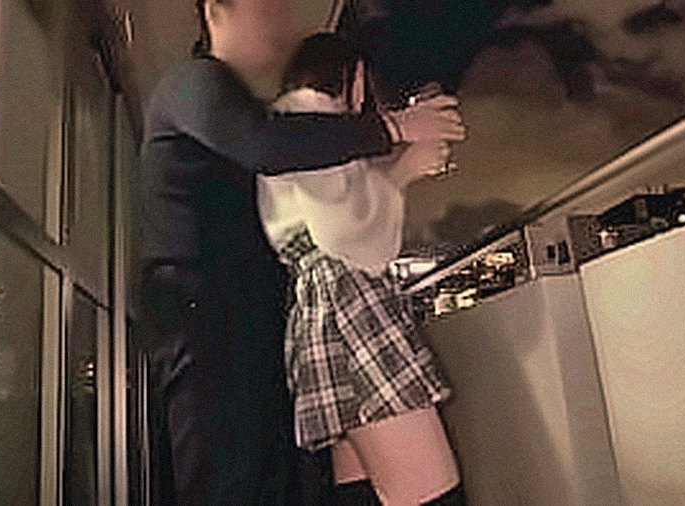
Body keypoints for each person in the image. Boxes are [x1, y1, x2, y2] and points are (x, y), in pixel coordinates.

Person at [137, 0, 466, 504]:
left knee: (293, 486)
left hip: (248, 326)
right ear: (214, 10)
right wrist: (395, 130)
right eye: (263, 6)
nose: (278, 18)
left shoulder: (253, 111)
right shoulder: (195, 84)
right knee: (232, 483)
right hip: (215, 330)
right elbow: (269, 148)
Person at [257, 33, 465, 506]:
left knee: (363, 493)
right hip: (350, 304)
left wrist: (400, 171)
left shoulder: (295, 124)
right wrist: (405, 170)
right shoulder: (310, 114)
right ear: (352, 79)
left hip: (325, 308)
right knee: (433, 495)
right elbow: (346, 234)